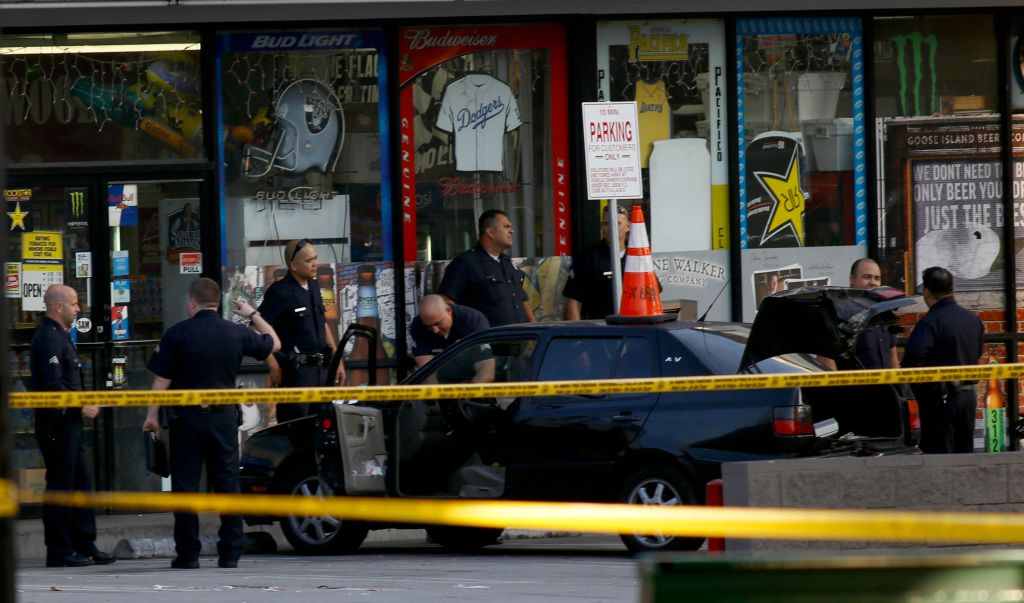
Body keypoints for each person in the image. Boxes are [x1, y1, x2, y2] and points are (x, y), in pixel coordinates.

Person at [143, 277, 280, 569]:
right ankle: (230, 552)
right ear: (217, 302)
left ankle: (188, 554)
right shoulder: (235, 332)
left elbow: (161, 380)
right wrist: (253, 315)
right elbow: (274, 343)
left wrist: (152, 416)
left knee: (185, 487)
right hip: (223, 420)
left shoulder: (177, 334)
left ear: (192, 302)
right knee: (228, 484)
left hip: (186, 420)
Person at [30, 284, 115, 568]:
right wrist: (81, 406)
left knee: (80, 484)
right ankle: (60, 550)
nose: (78, 309)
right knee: (61, 486)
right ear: (58, 307)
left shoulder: (62, 337)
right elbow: (53, 387)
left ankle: (84, 544)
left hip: (69, 423)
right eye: (74, 304)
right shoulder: (49, 340)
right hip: (57, 424)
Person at [258, 238, 346, 423]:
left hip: (321, 369)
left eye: (315, 258)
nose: (315, 263)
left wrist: (337, 359)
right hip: (296, 372)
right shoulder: (279, 291)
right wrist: (272, 365)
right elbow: (257, 328)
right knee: (296, 429)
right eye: (308, 260)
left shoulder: (313, 286)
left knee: (322, 427)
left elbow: (322, 323)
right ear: (294, 265)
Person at [902, 266, 984, 454]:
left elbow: (911, 361)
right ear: (952, 287)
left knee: (940, 456)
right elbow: (977, 352)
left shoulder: (930, 323)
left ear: (927, 292)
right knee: (964, 453)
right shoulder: (972, 320)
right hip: (968, 397)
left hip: (940, 400)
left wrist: (922, 391)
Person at [438, 209, 536, 327]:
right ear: (490, 232)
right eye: (506, 226)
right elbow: (445, 301)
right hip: (487, 342)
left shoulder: (507, 262)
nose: (512, 231)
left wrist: (534, 327)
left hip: (520, 338)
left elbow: (522, 300)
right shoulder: (466, 262)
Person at [819, 258, 901, 371]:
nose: (873, 282)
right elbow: (826, 359)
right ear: (852, 280)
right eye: (867, 277)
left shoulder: (884, 313)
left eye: (877, 278)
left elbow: (893, 357)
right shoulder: (838, 314)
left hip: (886, 387)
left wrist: (899, 384)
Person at [563, 204, 629, 320]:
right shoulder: (588, 256)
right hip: (600, 330)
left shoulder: (638, 256)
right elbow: (573, 301)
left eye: (617, 223)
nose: (611, 228)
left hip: (636, 330)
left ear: (627, 226)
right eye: (606, 224)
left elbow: (653, 294)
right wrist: (578, 336)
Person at [410, 294, 490, 367]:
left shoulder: (473, 321)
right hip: (441, 377)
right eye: (429, 326)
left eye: (438, 323)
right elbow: (427, 370)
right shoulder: (418, 325)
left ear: (449, 311)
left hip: (470, 376)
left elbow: (486, 368)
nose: (435, 330)